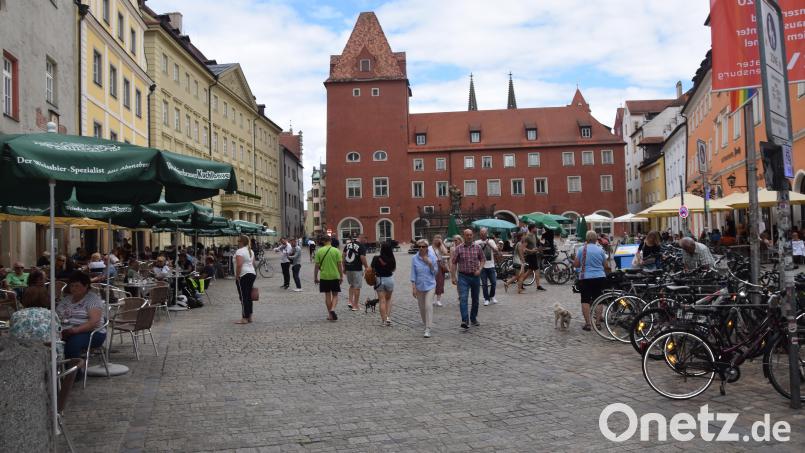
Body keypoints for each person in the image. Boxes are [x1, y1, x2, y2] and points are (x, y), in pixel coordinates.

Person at [56, 271, 106, 375]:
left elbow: (94, 322)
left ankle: (74, 374)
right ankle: (56, 370)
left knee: (73, 343)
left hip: (93, 333)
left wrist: (74, 330)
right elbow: (57, 316)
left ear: (86, 286)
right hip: (66, 331)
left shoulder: (92, 299)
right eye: (72, 286)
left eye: (77, 286)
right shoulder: (66, 299)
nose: (73, 288)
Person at [450, 229, 485, 329]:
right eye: (467, 235)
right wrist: (453, 276)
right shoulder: (459, 248)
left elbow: (482, 259)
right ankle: (465, 320)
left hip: (475, 276)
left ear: (472, 236)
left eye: (470, 235)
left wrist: (480, 269)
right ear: (464, 236)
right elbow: (454, 262)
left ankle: (473, 318)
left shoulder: (478, 247)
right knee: (463, 298)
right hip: (463, 276)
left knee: (475, 299)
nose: (469, 236)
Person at [574, 231, 608, 331]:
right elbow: (606, 265)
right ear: (596, 239)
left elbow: (576, 264)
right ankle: (597, 323)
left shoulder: (581, 249)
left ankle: (588, 324)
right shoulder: (600, 249)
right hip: (599, 277)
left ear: (587, 239)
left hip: (585, 277)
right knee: (599, 299)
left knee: (585, 300)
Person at [411, 239, 439, 338]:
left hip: (430, 285)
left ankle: (428, 328)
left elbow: (435, 272)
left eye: (423, 246)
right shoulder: (415, 258)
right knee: (422, 308)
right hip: (419, 286)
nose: (421, 248)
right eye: (419, 246)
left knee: (428, 306)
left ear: (427, 247)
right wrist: (413, 287)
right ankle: (425, 323)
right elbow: (413, 273)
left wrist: (430, 263)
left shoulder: (432, 257)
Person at [313, 236, 344, 321]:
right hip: (334, 276)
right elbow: (339, 265)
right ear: (330, 241)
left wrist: (315, 277)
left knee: (327, 295)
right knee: (335, 295)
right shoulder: (336, 251)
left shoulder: (319, 251)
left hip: (324, 276)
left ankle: (330, 315)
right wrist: (341, 276)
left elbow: (316, 266)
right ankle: (333, 309)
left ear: (323, 241)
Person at [371, 242, 397, 326]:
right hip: (389, 279)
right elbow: (393, 270)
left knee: (382, 300)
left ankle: (383, 320)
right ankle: (388, 317)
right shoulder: (392, 259)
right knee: (388, 299)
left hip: (379, 280)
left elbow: (372, 269)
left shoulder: (376, 258)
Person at [233, 235, 257, 324]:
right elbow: (253, 263)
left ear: (242, 242)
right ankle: (250, 316)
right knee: (248, 297)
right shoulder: (250, 250)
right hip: (251, 273)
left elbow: (239, 264)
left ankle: (244, 318)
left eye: (238, 241)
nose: (237, 243)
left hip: (243, 274)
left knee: (243, 297)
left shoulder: (240, 251)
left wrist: (237, 276)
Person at [475, 228, 499, 306]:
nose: (482, 235)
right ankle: (486, 299)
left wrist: (489, 244)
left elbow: (496, 250)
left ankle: (492, 296)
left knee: (494, 282)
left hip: (491, 265)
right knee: (484, 284)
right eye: (481, 234)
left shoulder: (491, 241)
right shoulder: (477, 242)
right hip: (482, 267)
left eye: (484, 234)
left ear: (487, 234)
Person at [343, 236, 368, 310]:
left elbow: (343, 255)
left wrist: (344, 267)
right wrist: (366, 267)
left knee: (352, 285)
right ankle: (355, 306)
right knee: (357, 287)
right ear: (362, 239)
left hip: (348, 268)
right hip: (357, 269)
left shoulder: (347, 245)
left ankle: (350, 302)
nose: (366, 242)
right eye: (365, 240)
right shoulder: (361, 246)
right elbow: (362, 257)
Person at [520, 224, 546, 292]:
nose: (536, 229)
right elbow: (523, 248)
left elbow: (537, 243)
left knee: (529, 271)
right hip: (530, 256)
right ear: (532, 229)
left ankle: (520, 282)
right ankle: (538, 286)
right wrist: (531, 250)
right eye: (535, 228)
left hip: (534, 255)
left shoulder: (534, 235)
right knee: (537, 270)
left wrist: (538, 248)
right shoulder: (527, 237)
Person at [430, 235, 449, 307]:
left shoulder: (441, 247)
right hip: (431, 266)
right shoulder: (429, 248)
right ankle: (431, 299)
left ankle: (438, 300)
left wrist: (441, 244)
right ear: (433, 239)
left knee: (440, 282)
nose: (437, 240)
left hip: (439, 265)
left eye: (439, 238)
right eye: (436, 238)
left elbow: (445, 252)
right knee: (431, 282)